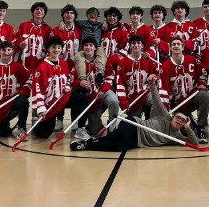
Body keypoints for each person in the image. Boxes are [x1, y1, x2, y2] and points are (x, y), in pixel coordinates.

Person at [70, 76, 198, 151]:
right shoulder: (166, 117)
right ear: (173, 116)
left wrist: (188, 129)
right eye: (178, 117)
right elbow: (157, 100)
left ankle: (87, 145)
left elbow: (195, 144)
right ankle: (90, 141)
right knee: (120, 135)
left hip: (137, 141)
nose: (179, 121)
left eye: (183, 121)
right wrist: (152, 83)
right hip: (135, 124)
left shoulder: (176, 137)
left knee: (120, 147)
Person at [31, 37, 89, 139]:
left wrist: (67, 87)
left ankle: (81, 128)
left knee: (82, 99)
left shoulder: (63, 63)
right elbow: (37, 90)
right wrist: (41, 109)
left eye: (59, 47)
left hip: (62, 98)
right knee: (44, 134)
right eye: (54, 47)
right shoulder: (42, 67)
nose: (56, 50)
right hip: (50, 103)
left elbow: (67, 79)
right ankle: (36, 121)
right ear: (48, 49)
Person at [159, 37, 209, 144]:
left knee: (204, 95)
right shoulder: (165, 66)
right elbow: (164, 89)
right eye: (173, 44)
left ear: (183, 47)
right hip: (177, 105)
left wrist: (201, 84)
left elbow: (203, 74)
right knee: (183, 132)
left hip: (192, 98)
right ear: (170, 48)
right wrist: (168, 110)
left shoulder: (193, 60)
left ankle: (201, 127)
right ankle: (188, 119)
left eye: (178, 44)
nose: (176, 46)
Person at [72, 36, 119, 138]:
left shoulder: (102, 61)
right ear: (83, 48)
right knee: (94, 132)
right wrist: (79, 83)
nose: (88, 47)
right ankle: (95, 125)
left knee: (114, 101)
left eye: (91, 45)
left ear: (95, 48)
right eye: (86, 45)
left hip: (103, 92)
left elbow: (111, 76)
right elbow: (71, 79)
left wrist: (102, 90)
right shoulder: (78, 62)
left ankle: (112, 127)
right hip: (90, 98)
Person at [58, 7, 107, 86]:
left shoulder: (101, 25)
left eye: (95, 14)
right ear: (87, 16)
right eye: (90, 14)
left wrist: (106, 22)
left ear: (98, 16)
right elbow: (70, 20)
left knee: (101, 50)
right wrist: (62, 22)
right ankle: (82, 79)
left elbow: (115, 23)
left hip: (95, 49)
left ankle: (100, 73)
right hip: (84, 50)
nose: (92, 15)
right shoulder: (82, 23)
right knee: (78, 55)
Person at [116, 35, 157, 118]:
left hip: (145, 94)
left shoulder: (148, 60)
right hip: (132, 100)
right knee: (135, 127)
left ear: (142, 46)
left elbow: (155, 76)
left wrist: (152, 80)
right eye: (133, 43)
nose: (136, 45)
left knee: (157, 102)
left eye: (139, 43)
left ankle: (152, 124)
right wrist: (124, 103)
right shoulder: (123, 62)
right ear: (130, 46)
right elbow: (120, 84)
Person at [14, 2, 53, 73]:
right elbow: (15, 41)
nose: (39, 11)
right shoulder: (23, 25)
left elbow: (50, 47)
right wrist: (19, 44)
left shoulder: (47, 29)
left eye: (41, 10)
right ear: (33, 12)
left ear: (44, 13)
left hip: (40, 61)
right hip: (25, 61)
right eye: (37, 9)